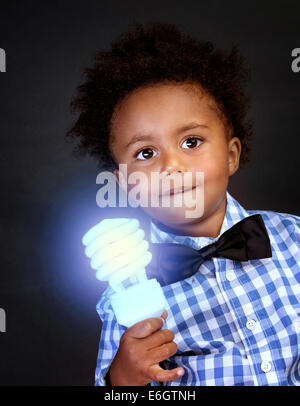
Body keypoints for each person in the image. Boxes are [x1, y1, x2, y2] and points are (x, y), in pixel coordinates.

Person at [66, 22, 300, 386]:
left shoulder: (295, 239)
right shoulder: (126, 292)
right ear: (126, 184)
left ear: (232, 155)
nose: (172, 166)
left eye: (191, 142)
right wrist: (123, 378)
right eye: (145, 152)